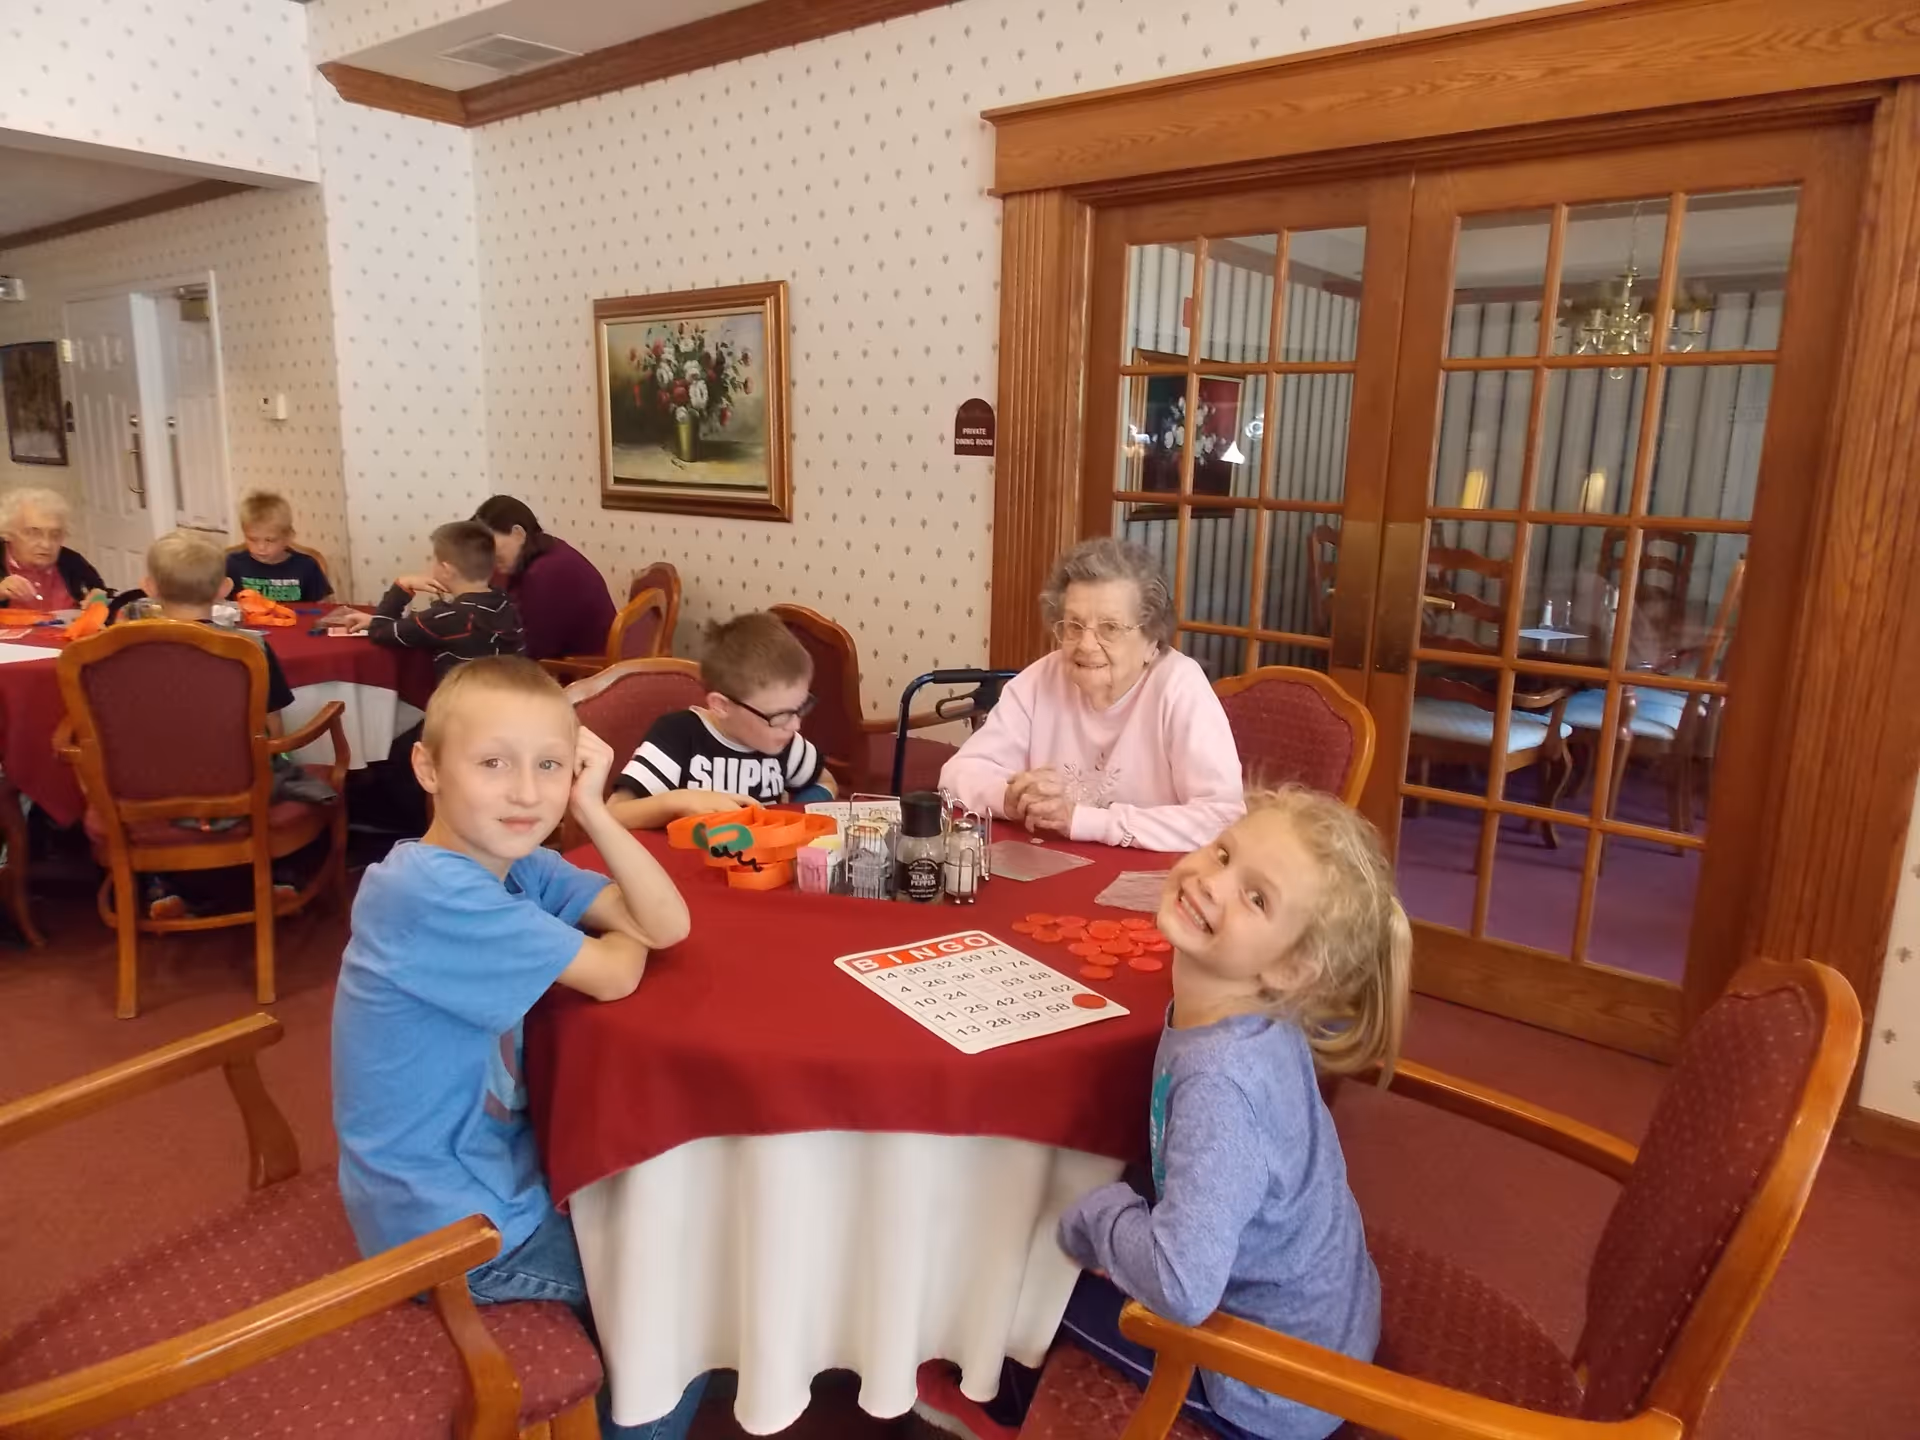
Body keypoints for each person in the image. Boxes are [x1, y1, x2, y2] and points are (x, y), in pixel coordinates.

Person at [917, 786, 1412, 1440]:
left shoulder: (1221, 1087)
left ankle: (1000, 1403)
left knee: (1028, 1267)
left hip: (1263, 1388)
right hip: (1329, 1325)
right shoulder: (1253, 1020)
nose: (1213, 881)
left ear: (1292, 968)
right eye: (1224, 853)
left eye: (1256, 897)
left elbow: (1181, 1288)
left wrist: (1101, 1216)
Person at [331, 656, 709, 1440]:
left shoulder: (516, 866)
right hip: (448, 1228)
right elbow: (613, 973)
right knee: (684, 1304)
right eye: (493, 764)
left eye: (551, 768)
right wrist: (617, 928)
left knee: (666, 1214)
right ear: (428, 767)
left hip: (484, 1181)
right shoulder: (430, 890)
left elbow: (668, 927)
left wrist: (598, 814)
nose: (527, 793)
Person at [939, 537, 1244, 851]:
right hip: (1050, 865)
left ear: (1152, 639)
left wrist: (1082, 821)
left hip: (1150, 881)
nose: (1086, 644)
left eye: (1110, 628)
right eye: (1073, 626)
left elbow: (1222, 818)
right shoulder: (1041, 679)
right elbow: (958, 772)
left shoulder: (1179, 686)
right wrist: (1010, 798)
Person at [129, 530, 303, 919]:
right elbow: (273, 727)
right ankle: (277, 878)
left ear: (149, 588)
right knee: (291, 773)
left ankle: (158, 885)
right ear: (225, 588)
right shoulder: (251, 648)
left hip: (145, 787)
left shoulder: (119, 649)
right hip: (238, 784)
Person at [606, 611, 834, 829]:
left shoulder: (783, 740)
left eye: (799, 709)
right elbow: (615, 813)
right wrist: (680, 801)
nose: (795, 726)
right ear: (722, 706)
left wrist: (792, 814)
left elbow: (826, 782)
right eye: (780, 715)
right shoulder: (678, 735)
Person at [330, 520, 523, 677]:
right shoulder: (506, 602)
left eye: (434, 560)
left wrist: (402, 585)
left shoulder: (445, 618)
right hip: (508, 704)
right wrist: (374, 621)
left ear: (446, 570)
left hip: (460, 712)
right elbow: (431, 626)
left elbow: (380, 633)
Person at [473, 495, 617, 661]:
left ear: (518, 534)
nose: (489, 556)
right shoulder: (551, 549)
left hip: (584, 670)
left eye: (491, 545)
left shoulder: (544, 573)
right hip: (582, 660)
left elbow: (532, 650)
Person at [0, 487, 107, 610]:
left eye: (55, 535)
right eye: (33, 533)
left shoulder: (71, 560)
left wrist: (99, 599)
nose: (46, 544)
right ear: (7, 533)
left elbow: (100, 590)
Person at [224, 490, 333, 603]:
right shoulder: (233, 564)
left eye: (270, 540)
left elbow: (324, 608)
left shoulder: (307, 566)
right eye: (252, 539)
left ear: (288, 537)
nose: (261, 547)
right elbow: (218, 606)